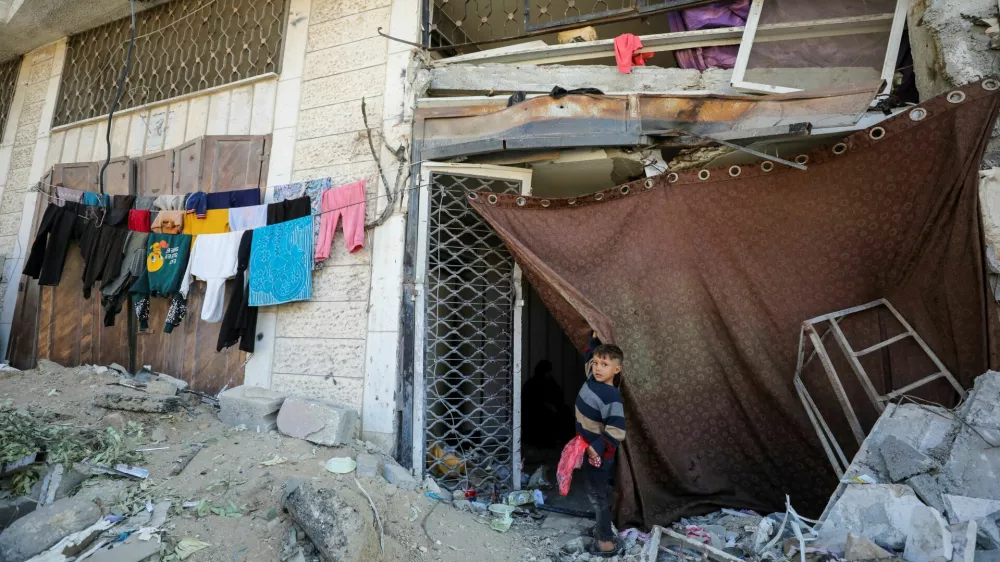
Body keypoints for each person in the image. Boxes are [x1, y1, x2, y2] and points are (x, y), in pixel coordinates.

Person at [575, 332, 627, 557]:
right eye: (596, 363)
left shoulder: (611, 396)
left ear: (616, 370)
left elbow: (617, 429)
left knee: (598, 496)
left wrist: (596, 446)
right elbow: (589, 355)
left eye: (604, 364)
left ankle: (606, 542)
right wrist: (593, 339)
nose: (598, 368)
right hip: (586, 447)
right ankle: (601, 528)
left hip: (598, 453)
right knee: (594, 491)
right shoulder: (591, 378)